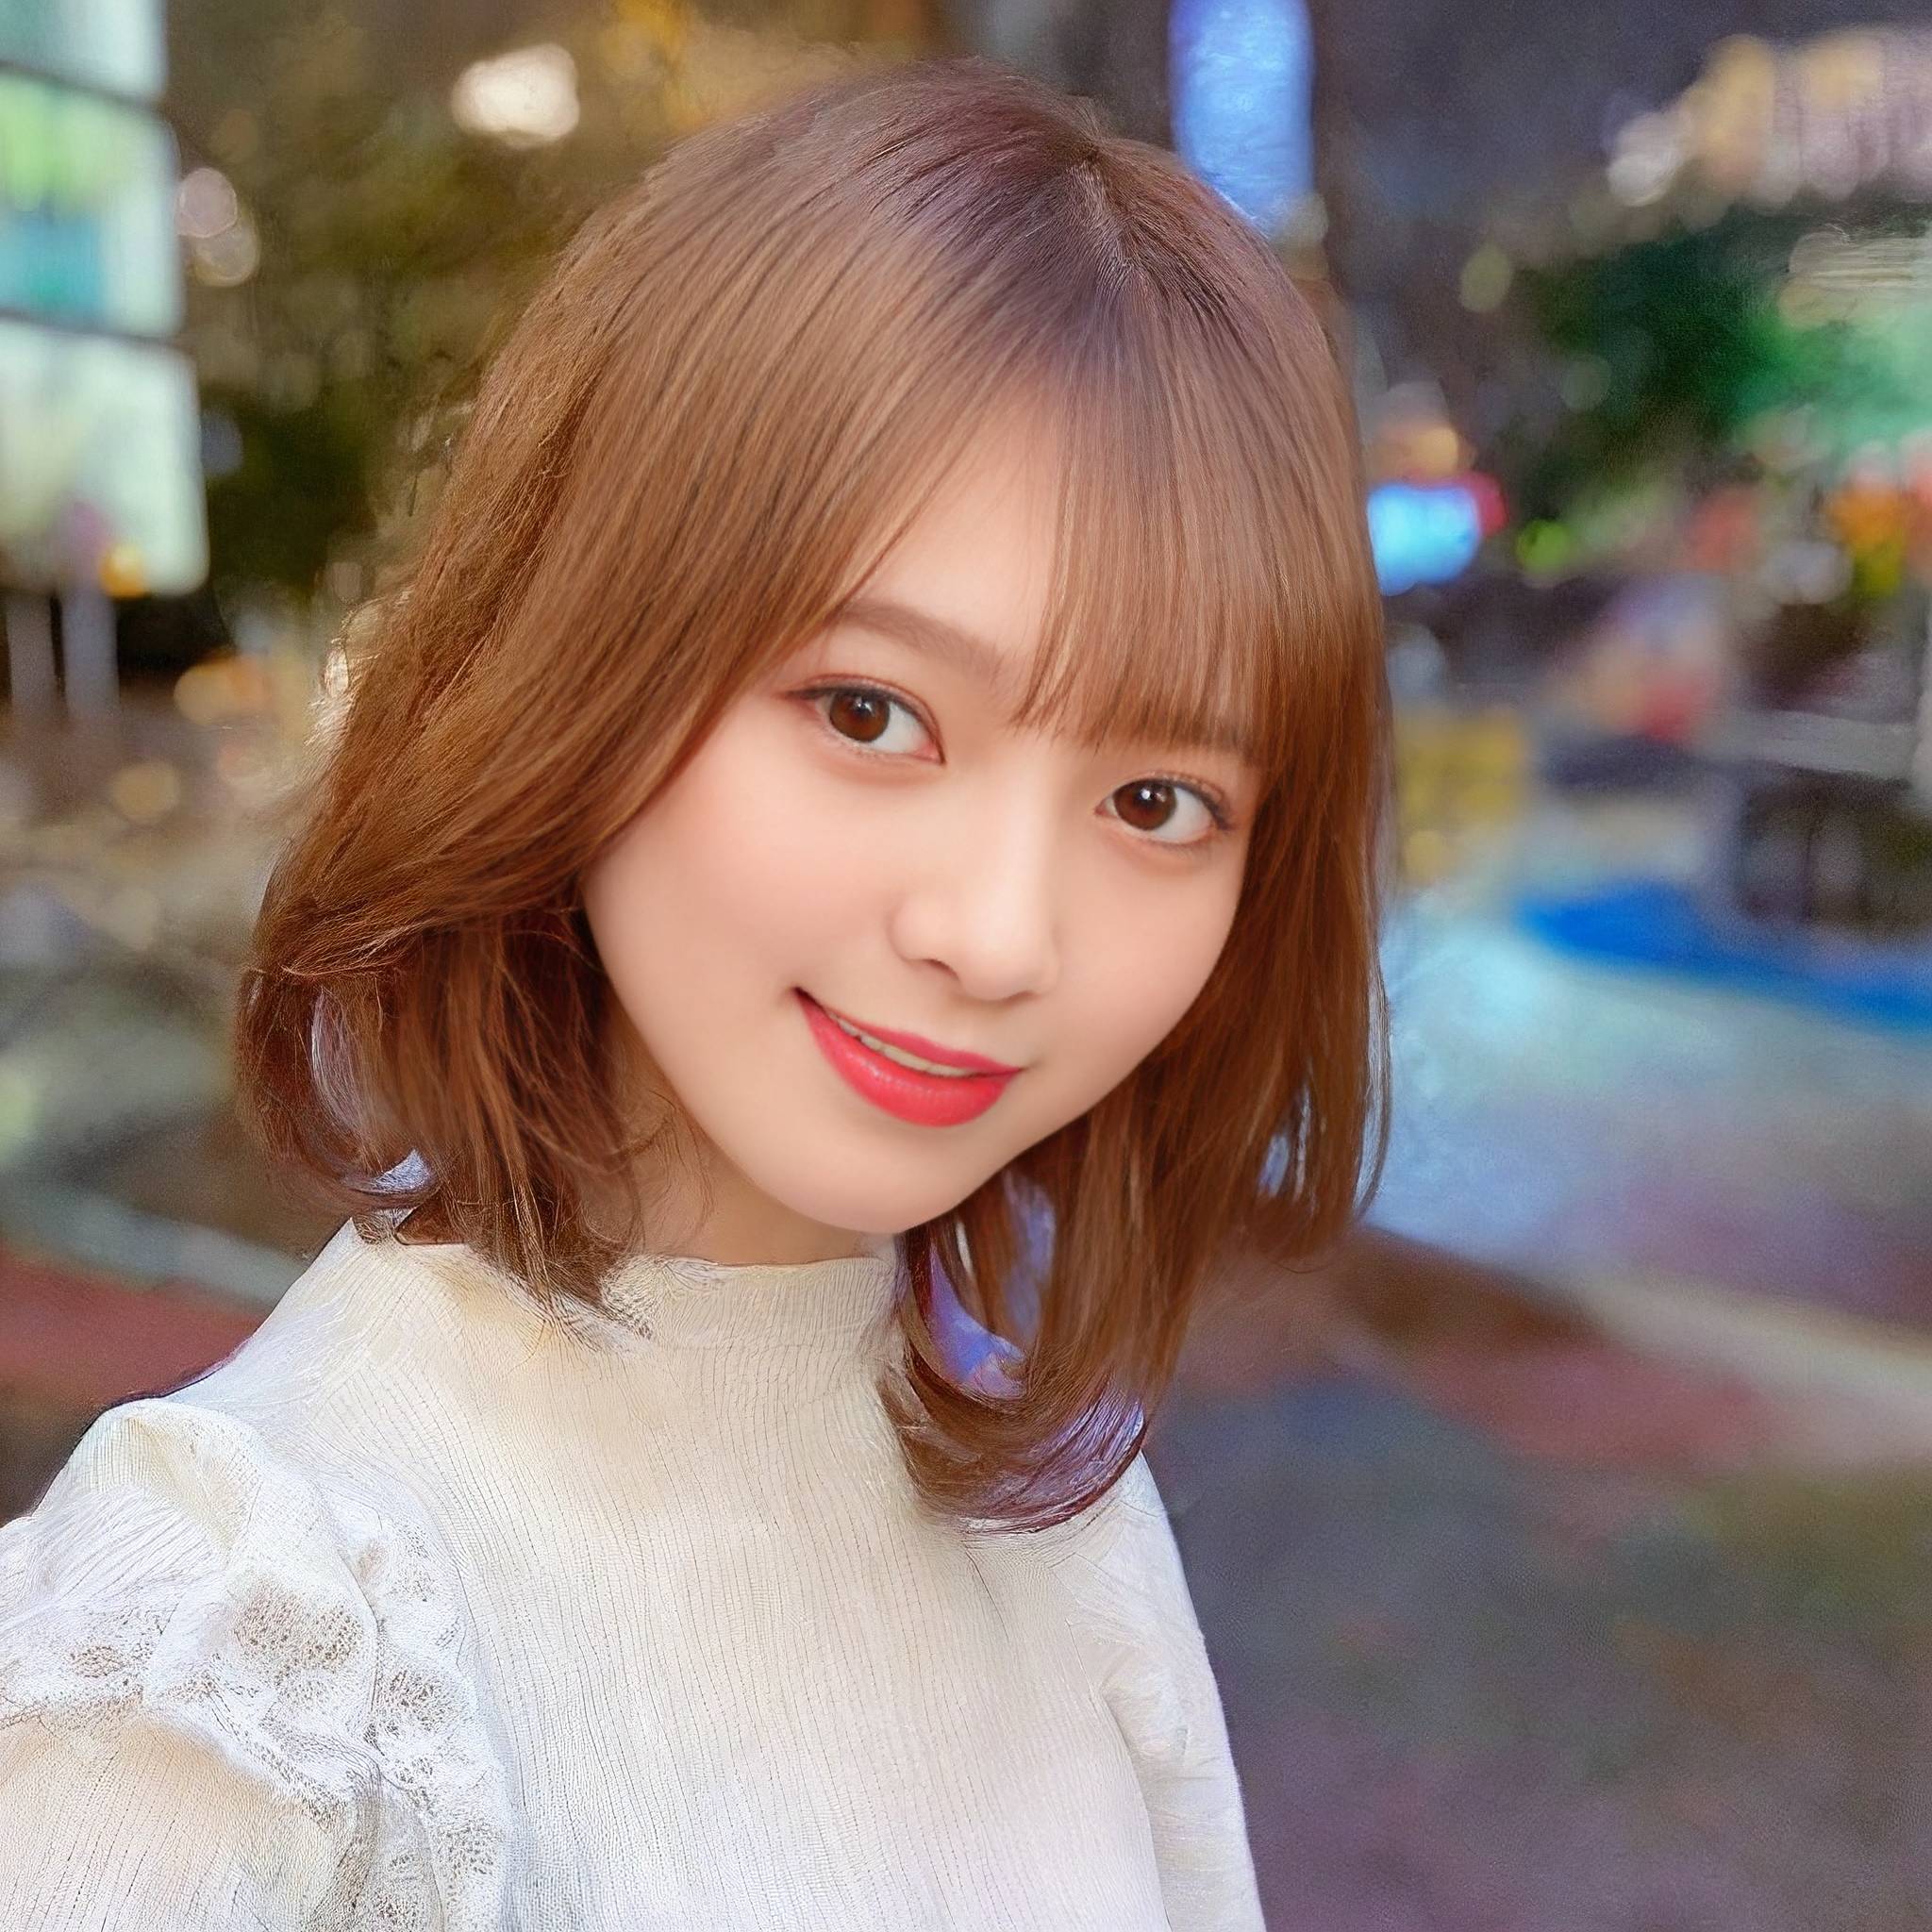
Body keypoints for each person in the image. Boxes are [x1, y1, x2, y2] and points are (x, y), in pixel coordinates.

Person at [0, 53, 1391, 1930]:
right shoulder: (233, 1648)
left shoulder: (1046, 1493)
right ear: (587, 651)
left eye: (1156, 802)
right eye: (871, 712)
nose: (997, 935)